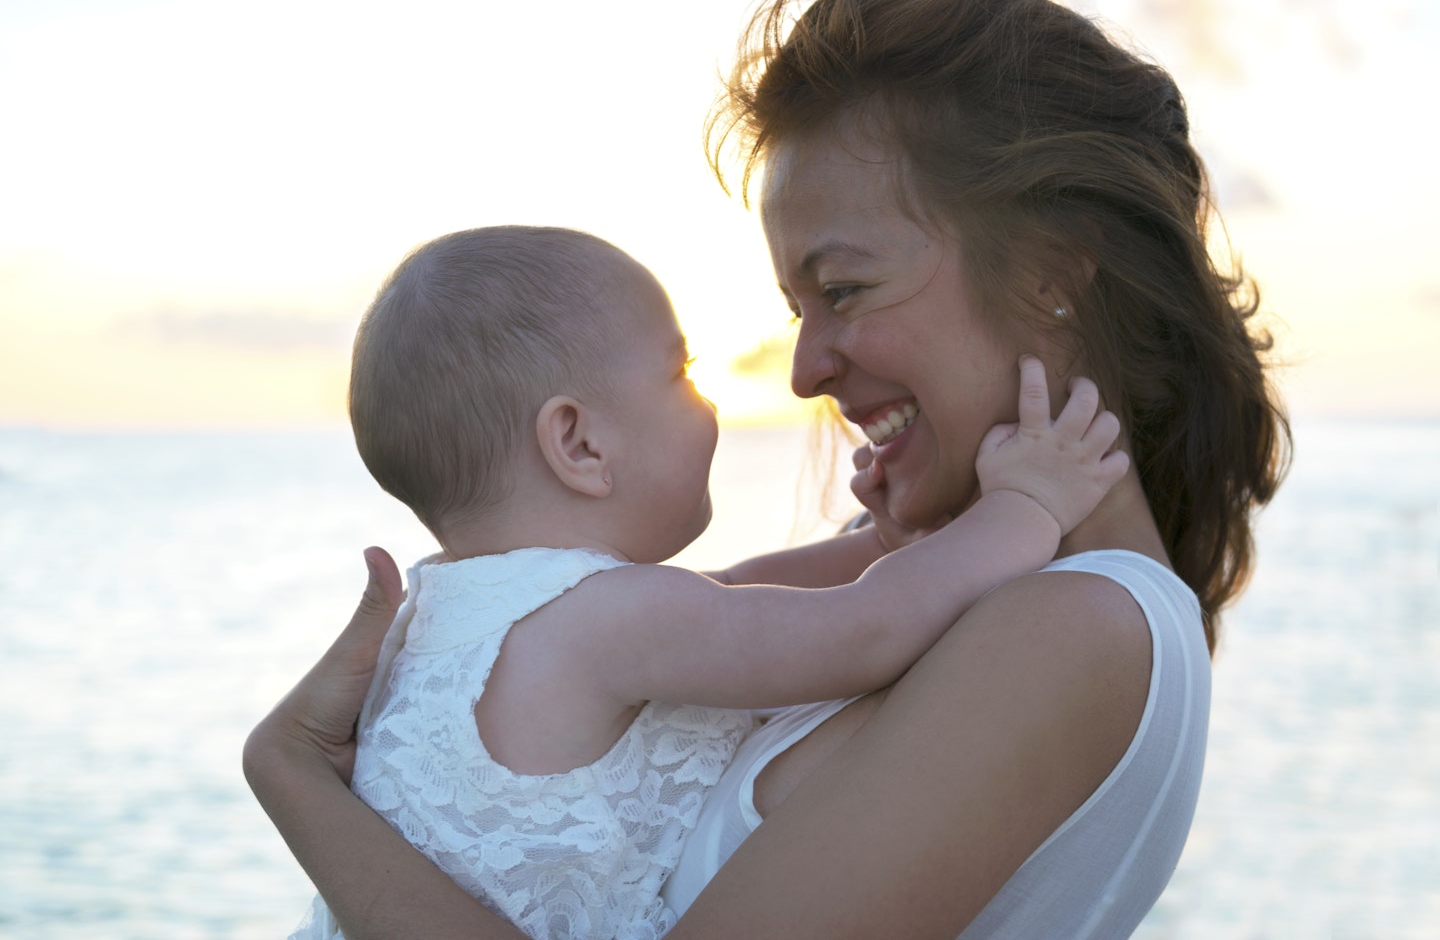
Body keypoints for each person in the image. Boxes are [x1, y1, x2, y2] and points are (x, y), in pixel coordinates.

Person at [244, 0, 1292, 937]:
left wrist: (296, 779)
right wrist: (914, 538)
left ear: (1054, 279)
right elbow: (732, 602)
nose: (801, 372)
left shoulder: (1078, 625)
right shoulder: (949, 570)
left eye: (843, 291)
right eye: (795, 308)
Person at [285, 224, 1125, 940]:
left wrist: (882, 543)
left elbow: (731, 594)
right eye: (683, 374)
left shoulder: (444, 608)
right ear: (578, 445)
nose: (713, 406)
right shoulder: (615, 621)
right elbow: (861, 631)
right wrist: (1023, 505)